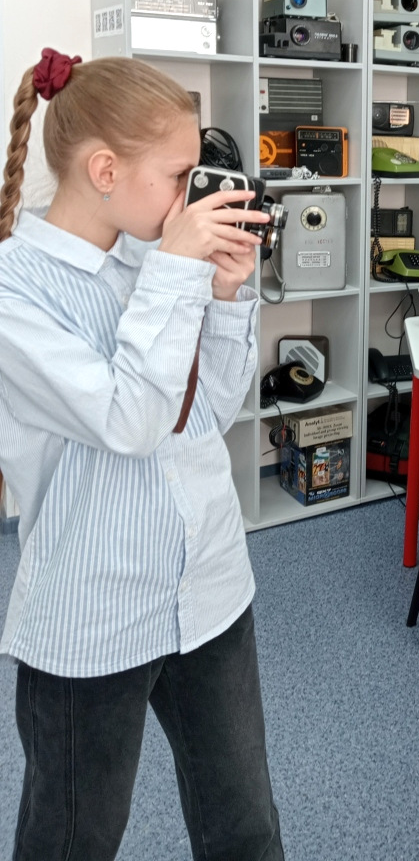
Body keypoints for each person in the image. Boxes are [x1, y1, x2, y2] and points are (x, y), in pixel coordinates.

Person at [0, 50, 285, 860]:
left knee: (245, 829)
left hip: (209, 590)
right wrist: (176, 274)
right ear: (104, 171)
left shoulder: (153, 260)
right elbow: (129, 420)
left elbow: (207, 415)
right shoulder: (15, 291)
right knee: (72, 840)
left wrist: (221, 296)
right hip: (94, 615)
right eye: (179, 175)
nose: (192, 194)